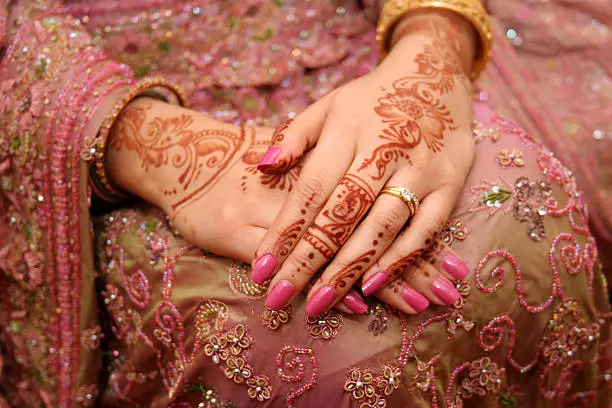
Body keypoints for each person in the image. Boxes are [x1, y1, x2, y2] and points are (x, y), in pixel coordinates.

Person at [0, 0, 610, 407]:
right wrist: (153, 145)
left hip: (361, 57)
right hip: (98, 105)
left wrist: (430, 44)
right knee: (288, 332)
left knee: (521, 202)